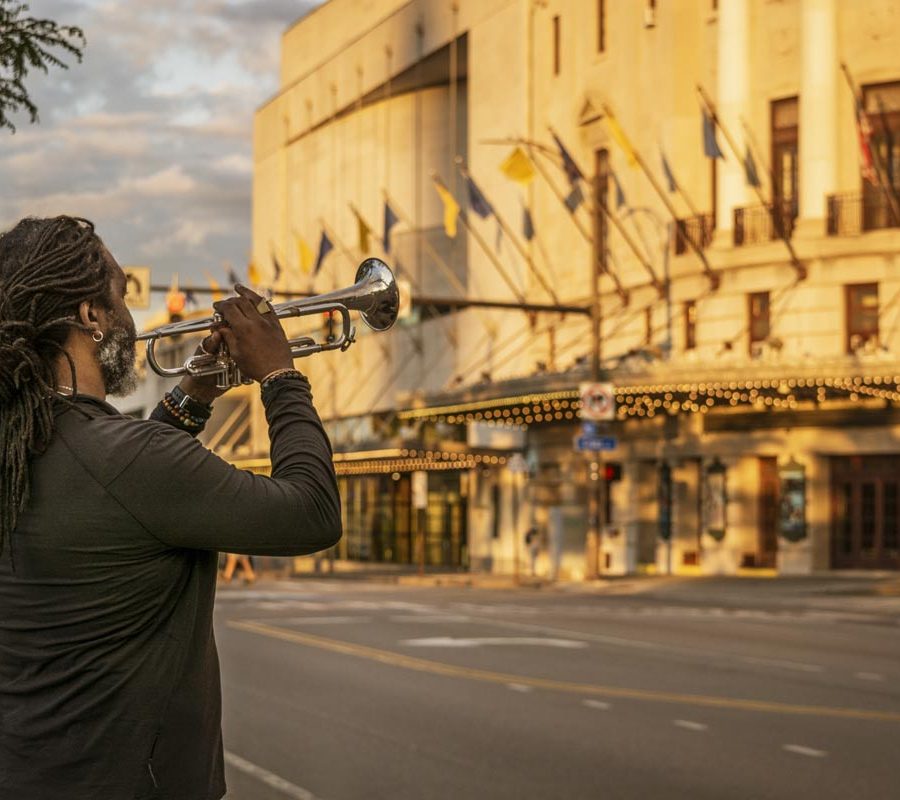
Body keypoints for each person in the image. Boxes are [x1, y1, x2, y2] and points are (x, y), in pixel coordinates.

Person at [0, 216, 342, 799]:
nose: (130, 319)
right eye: (120, 299)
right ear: (90, 315)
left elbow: (117, 496)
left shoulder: (25, 446)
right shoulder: (126, 461)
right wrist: (282, 376)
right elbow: (313, 511)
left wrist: (193, 396)